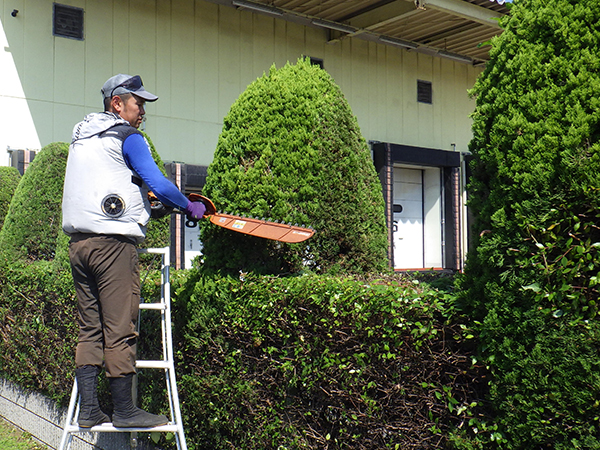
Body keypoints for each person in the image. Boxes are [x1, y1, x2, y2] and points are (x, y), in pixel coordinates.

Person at [61, 74, 206, 428]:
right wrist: (188, 206)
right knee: (120, 327)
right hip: (113, 248)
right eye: (138, 103)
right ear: (117, 104)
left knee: (89, 329)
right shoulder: (128, 136)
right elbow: (157, 182)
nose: (142, 111)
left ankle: (90, 411)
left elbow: (113, 188)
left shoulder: (82, 139)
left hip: (79, 245)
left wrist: (149, 207)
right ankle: (126, 412)